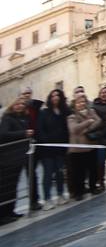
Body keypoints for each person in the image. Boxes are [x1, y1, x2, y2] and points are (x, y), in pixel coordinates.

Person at [36, 89, 70, 209]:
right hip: (47, 150)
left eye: (58, 95)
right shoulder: (44, 112)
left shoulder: (63, 112)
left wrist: (66, 144)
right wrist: (46, 142)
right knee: (48, 174)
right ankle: (47, 199)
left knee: (60, 173)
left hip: (60, 148)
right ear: (50, 98)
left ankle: (60, 195)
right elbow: (40, 129)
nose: (56, 97)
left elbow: (66, 129)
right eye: (53, 95)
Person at [0, 96, 31, 224]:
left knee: (14, 185)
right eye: (17, 104)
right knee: (7, 186)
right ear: (12, 105)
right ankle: (3, 214)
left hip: (18, 157)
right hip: (8, 158)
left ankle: (11, 210)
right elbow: (3, 134)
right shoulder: (7, 118)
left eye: (23, 104)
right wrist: (23, 133)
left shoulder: (22, 119)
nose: (20, 106)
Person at [67, 89, 102, 200]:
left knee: (93, 169)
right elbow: (74, 129)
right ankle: (78, 192)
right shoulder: (71, 117)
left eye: (83, 102)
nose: (81, 104)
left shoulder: (91, 111)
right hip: (77, 149)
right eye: (78, 102)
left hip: (91, 146)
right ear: (75, 105)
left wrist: (87, 129)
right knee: (78, 172)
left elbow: (99, 121)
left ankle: (93, 187)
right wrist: (88, 122)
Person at [21, 86, 43, 211]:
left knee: (35, 173)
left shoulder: (37, 107)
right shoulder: (19, 110)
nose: (26, 95)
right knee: (31, 174)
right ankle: (33, 201)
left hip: (39, 144)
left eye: (28, 93)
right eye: (24, 94)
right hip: (25, 147)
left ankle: (36, 199)